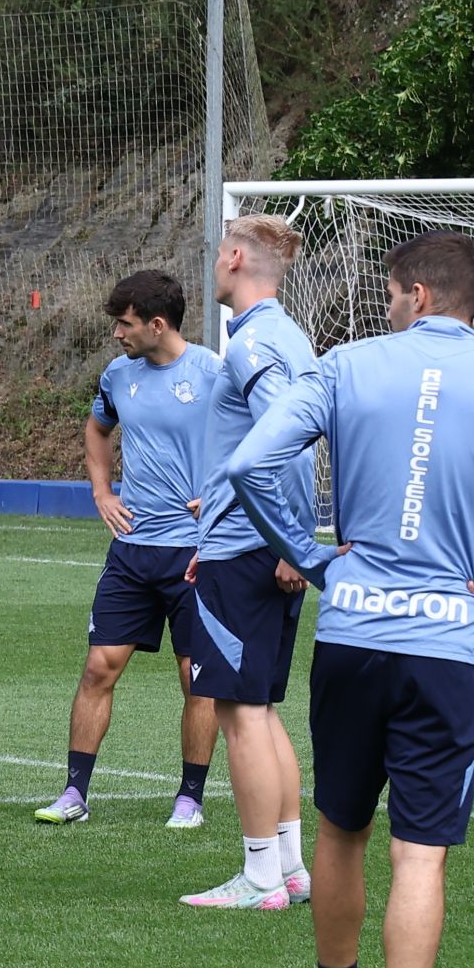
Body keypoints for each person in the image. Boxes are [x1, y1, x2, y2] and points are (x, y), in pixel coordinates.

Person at [228, 229, 474, 968]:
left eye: (393, 294)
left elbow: (249, 463)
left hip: (355, 630)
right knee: (421, 854)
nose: (389, 306)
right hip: (448, 646)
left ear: (418, 293)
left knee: (341, 832)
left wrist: (309, 556)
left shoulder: (345, 365)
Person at [35, 271, 220, 828]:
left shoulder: (214, 373)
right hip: (132, 549)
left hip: (195, 553)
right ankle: (74, 792)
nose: (117, 334)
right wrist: (101, 491)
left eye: (125, 323)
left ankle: (190, 798)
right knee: (98, 668)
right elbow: (97, 430)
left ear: (156, 325)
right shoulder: (118, 375)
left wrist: (222, 496)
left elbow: (261, 439)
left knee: (197, 677)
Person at [179, 215, 320, 910]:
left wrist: (292, 543)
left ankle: (261, 877)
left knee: (239, 715)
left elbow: (283, 443)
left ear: (235, 257)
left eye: (217, 252)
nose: (213, 264)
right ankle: (289, 870)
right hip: (253, 543)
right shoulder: (287, 335)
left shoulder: (254, 342)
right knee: (259, 712)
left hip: (250, 552)